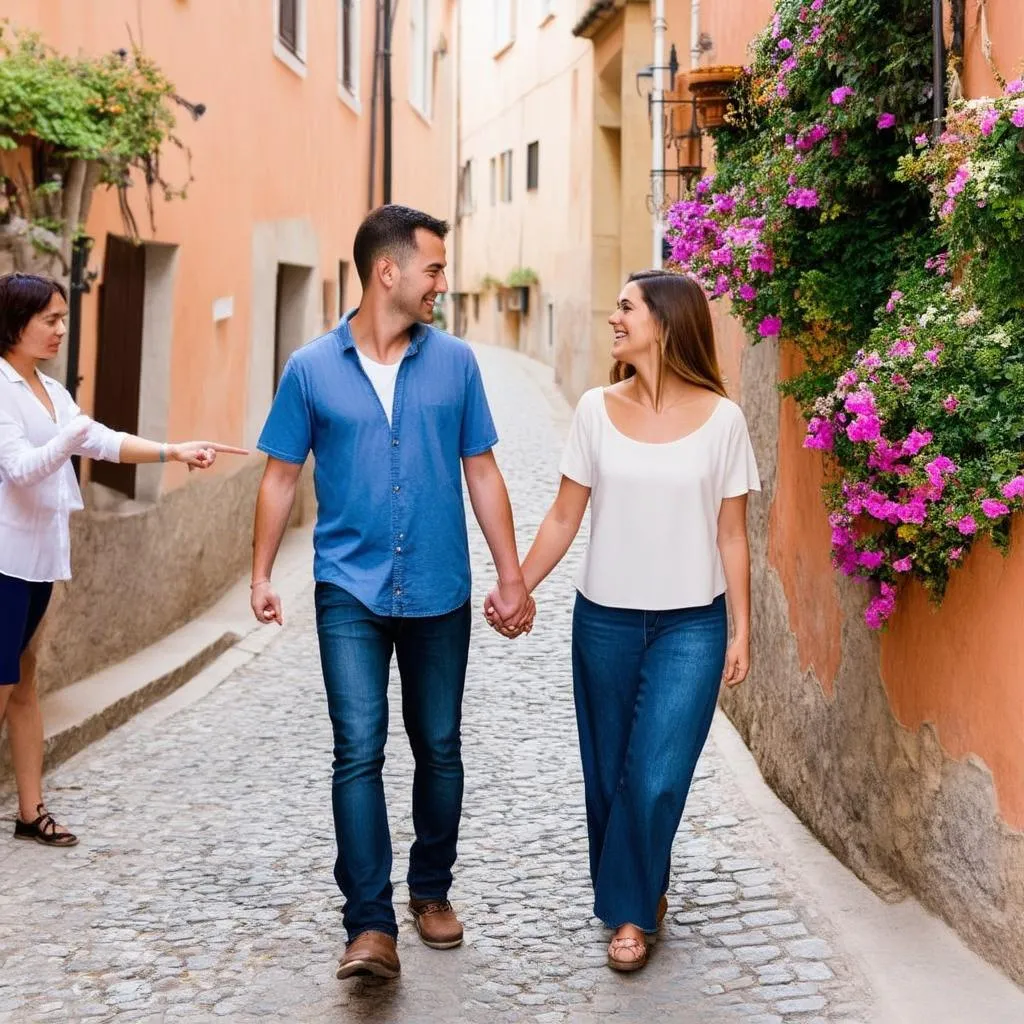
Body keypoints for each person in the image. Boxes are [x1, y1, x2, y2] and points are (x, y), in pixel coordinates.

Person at [250, 204, 533, 982]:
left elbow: (482, 469)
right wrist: (260, 572)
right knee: (357, 749)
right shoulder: (311, 368)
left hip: (440, 585)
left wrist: (512, 574)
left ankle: (431, 889)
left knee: (439, 747)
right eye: (435, 268)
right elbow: (280, 475)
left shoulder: (456, 365)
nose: (444, 281)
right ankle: (370, 925)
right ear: (389, 272)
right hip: (349, 586)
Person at [490, 270, 760, 972]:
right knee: (608, 774)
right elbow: (563, 514)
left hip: (690, 628)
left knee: (656, 775)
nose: (613, 317)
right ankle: (642, 890)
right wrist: (518, 584)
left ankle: (630, 916)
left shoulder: (723, 421)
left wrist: (742, 626)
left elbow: (733, 534)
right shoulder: (593, 410)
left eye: (626, 308)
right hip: (604, 621)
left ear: (665, 323)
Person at [0, 272, 248, 848]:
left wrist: (173, 450)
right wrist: (73, 436)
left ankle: (30, 810)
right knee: (3, 685)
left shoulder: (50, 390)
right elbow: (20, 468)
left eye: (64, 318)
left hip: (41, 560)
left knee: (27, 685)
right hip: (6, 560)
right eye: (52, 320)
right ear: (16, 322)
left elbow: (102, 442)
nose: (63, 328)